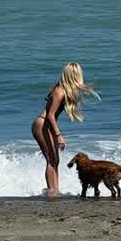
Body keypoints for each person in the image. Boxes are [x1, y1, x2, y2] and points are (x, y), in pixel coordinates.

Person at [31, 62, 99, 197]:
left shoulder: (61, 89)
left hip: (47, 124)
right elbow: (50, 115)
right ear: (74, 75)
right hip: (42, 124)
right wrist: (59, 135)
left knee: (55, 160)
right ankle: (51, 191)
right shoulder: (60, 92)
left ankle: (55, 190)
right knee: (51, 159)